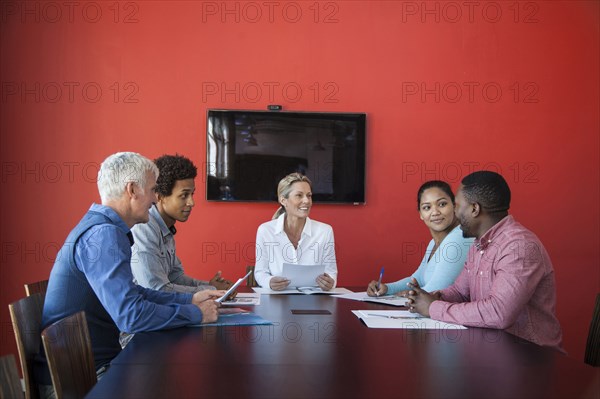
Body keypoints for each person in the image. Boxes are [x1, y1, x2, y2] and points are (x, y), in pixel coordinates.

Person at [35, 152, 224, 398]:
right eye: (153, 190)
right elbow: (131, 316)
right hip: (79, 380)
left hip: (93, 366)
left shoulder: (105, 229)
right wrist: (196, 314)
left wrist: (190, 300)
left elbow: (135, 295)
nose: (155, 199)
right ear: (133, 189)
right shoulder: (103, 235)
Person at [407, 171, 564, 351]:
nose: (454, 213)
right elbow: (460, 291)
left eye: (457, 206)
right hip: (494, 352)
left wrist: (433, 308)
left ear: (475, 209)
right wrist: (437, 297)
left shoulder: (519, 247)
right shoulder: (478, 244)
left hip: (532, 358)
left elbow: (499, 313)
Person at [131, 154, 232, 293]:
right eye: (184, 195)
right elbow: (156, 289)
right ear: (160, 197)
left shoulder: (166, 229)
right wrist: (210, 289)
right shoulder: (144, 228)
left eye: (192, 194)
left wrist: (210, 285)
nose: (192, 202)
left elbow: (175, 277)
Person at [367, 180, 473, 297]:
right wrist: (387, 288)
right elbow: (419, 279)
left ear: (454, 206)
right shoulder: (433, 243)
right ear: (421, 214)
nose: (435, 212)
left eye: (442, 204)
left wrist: (410, 294)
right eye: (427, 207)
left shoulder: (460, 237)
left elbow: (436, 290)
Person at [254, 173, 337, 291]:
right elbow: (260, 272)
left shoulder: (325, 231)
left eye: (309, 196)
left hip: (314, 301)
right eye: (299, 195)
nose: (306, 201)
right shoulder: (265, 230)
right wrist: (270, 282)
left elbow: (331, 273)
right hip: (278, 300)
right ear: (283, 200)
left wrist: (330, 282)